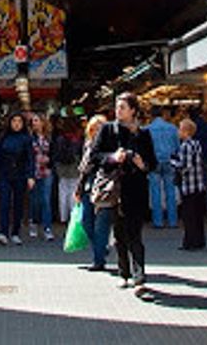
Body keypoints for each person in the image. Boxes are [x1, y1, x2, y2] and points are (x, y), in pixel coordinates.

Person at [92, 93, 157, 298]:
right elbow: (95, 156)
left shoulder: (143, 134)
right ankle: (124, 272)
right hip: (116, 189)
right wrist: (113, 157)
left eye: (122, 107)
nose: (118, 111)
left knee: (135, 234)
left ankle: (140, 278)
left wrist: (142, 164)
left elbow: (152, 163)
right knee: (120, 233)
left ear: (133, 111)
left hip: (136, 188)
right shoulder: (108, 130)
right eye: (117, 107)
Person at [0, 112, 33, 246]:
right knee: (4, 203)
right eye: (14, 121)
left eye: (19, 121)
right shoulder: (3, 137)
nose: (17, 124)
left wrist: (30, 175)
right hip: (4, 173)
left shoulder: (26, 138)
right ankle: (3, 232)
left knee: (18, 204)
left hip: (20, 173)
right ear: (9, 123)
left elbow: (30, 158)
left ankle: (16, 232)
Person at [75, 113, 109, 272]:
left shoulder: (110, 145)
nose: (96, 131)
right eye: (93, 129)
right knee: (85, 221)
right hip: (89, 186)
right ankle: (100, 247)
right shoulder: (88, 144)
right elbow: (84, 168)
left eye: (99, 128)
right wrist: (79, 188)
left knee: (101, 224)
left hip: (104, 186)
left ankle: (98, 259)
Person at [170, 118, 206, 250]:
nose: (178, 132)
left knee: (188, 216)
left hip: (189, 186)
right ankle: (199, 240)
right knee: (197, 215)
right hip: (198, 184)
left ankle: (190, 242)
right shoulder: (197, 144)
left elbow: (185, 166)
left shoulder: (185, 146)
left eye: (180, 129)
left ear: (186, 131)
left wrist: (173, 162)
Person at [146, 106, 180, 229]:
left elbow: (145, 148)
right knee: (170, 191)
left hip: (154, 162)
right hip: (169, 161)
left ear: (151, 116)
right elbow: (178, 147)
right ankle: (172, 221)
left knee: (155, 191)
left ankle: (158, 221)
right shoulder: (172, 128)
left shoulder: (147, 130)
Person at [28, 113, 54, 240]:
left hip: (46, 171)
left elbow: (55, 152)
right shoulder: (29, 138)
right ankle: (33, 222)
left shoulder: (50, 137)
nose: (34, 123)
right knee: (34, 200)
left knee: (46, 199)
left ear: (43, 122)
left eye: (37, 120)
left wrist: (50, 162)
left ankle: (47, 227)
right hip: (33, 172)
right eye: (33, 121)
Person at [52, 118, 83, 227]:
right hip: (74, 167)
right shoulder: (77, 139)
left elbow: (56, 154)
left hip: (61, 167)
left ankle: (63, 216)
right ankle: (72, 215)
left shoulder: (60, 138)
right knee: (73, 191)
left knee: (63, 191)